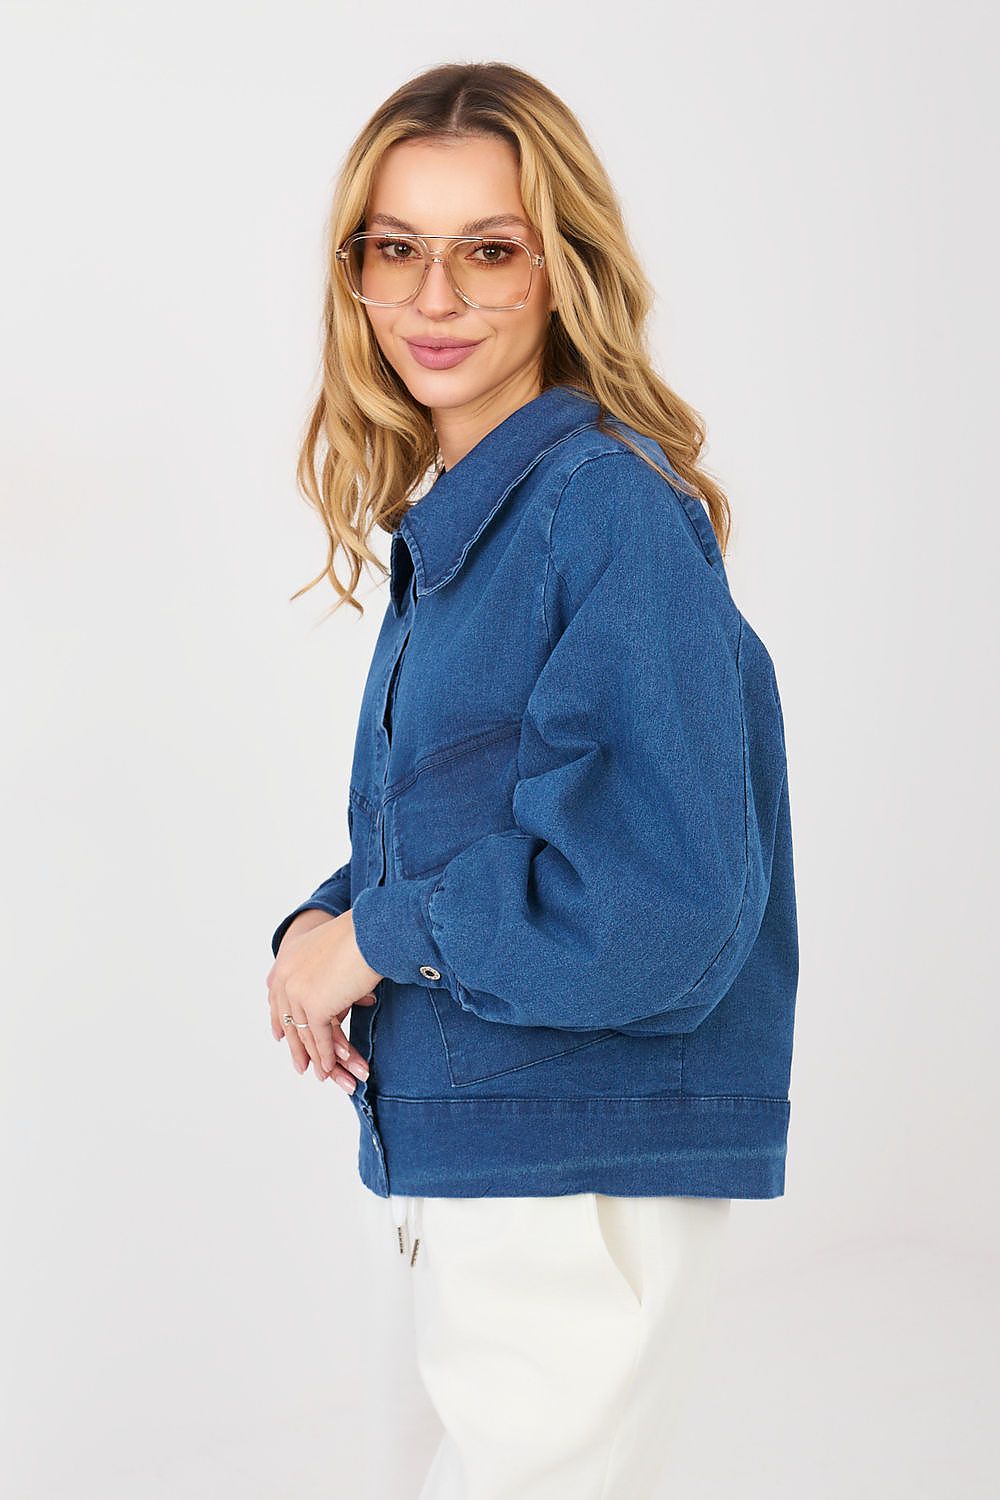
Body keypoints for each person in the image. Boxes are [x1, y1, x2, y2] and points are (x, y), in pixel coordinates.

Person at [265, 61, 799, 1500]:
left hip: (570, 1179)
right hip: (500, 1162)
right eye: (398, 249)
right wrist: (324, 937)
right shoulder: (478, 526)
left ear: (562, 273)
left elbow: (664, 897)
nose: (436, 297)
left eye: (489, 250)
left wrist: (374, 938)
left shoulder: (598, 510)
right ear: (357, 278)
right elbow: (483, 825)